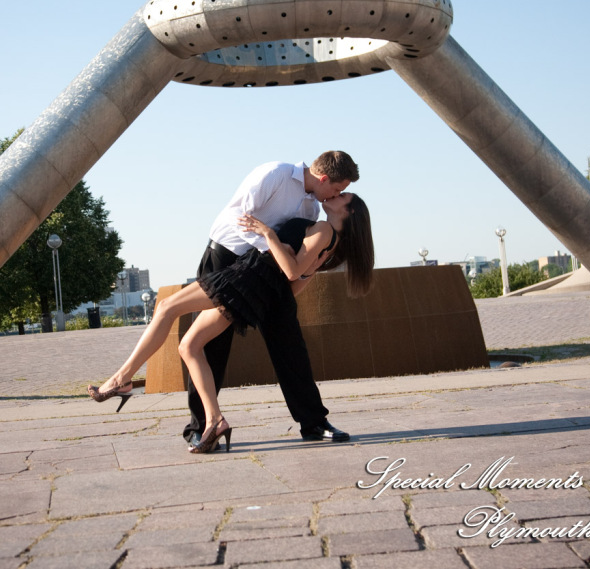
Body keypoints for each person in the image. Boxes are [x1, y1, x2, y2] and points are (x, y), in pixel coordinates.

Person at [87, 190, 374, 453]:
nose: (336, 195)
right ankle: (215, 420)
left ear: (348, 212)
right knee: (189, 346)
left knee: (165, 308)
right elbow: (295, 283)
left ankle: (121, 380)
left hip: (245, 278)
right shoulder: (331, 245)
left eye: (342, 196)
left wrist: (268, 235)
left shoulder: (324, 228)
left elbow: (290, 272)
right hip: (253, 288)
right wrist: (271, 280)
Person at [186, 151, 360, 445]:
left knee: (290, 343)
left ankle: (314, 423)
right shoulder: (275, 173)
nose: (336, 194)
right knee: (211, 344)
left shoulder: (312, 209)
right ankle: (201, 428)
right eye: (337, 188)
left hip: (267, 274)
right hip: (226, 257)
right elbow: (238, 217)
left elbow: (295, 254)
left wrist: (299, 268)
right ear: (324, 178)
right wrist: (269, 244)